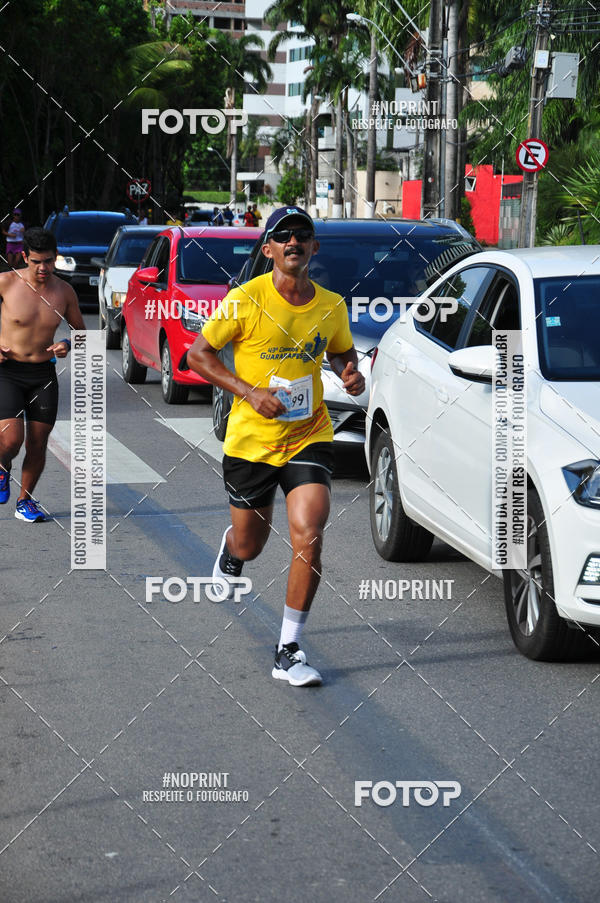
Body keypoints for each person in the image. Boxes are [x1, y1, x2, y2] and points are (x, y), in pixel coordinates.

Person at [187, 206, 365, 686]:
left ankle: (288, 648)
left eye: (302, 235)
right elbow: (197, 354)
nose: (293, 242)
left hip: (308, 434)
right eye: (282, 236)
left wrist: (350, 371)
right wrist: (249, 391)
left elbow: (342, 350)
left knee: (309, 532)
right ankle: (232, 552)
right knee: (253, 541)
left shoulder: (330, 304)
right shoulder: (245, 299)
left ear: (313, 247)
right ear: (267, 249)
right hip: (251, 441)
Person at [0, 227, 86, 521]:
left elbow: (82, 334)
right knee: (10, 441)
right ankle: (2, 466)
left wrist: (66, 344)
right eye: (36, 261)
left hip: (43, 374)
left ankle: (25, 501)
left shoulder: (64, 292)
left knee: (37, 443)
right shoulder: (6, 283)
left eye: (48, 261)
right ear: (24, 257)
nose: (42, 268)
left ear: (56, 258)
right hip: (7, 372)